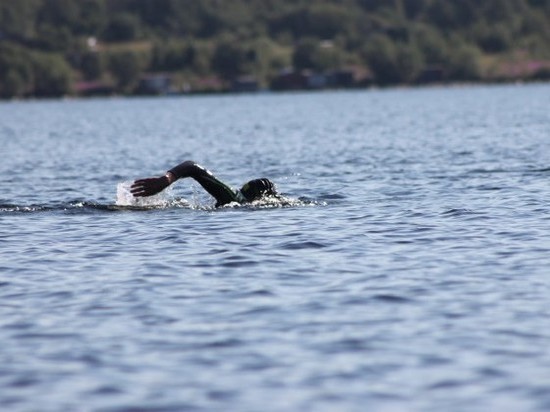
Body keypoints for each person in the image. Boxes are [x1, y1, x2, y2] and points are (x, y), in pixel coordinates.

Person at [131, 160, 278, 207]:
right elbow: (191, 166)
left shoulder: (234, 198)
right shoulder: (233, 199)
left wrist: (167, 179)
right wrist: (166, 180)